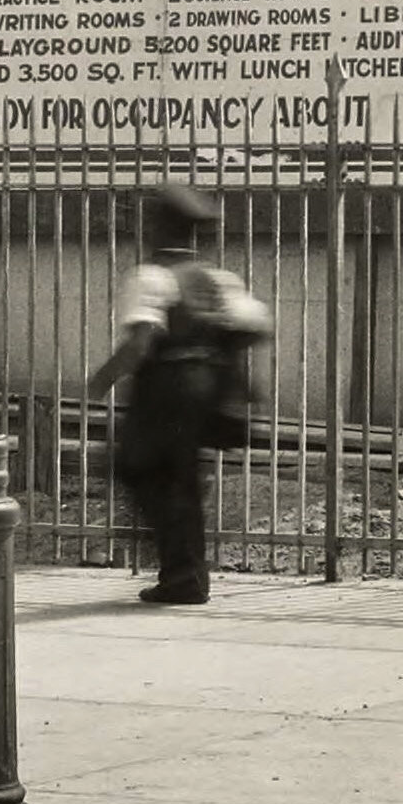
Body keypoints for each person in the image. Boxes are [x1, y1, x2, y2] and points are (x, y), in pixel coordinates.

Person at [89, 185, 267, 606]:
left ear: (158, 227)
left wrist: (102, 378)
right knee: (178, 478)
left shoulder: (150, 276)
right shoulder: (217, 278)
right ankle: (185, 573)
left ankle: (182, 573)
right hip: (203, 390)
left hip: (164, 389)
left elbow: (140, 343)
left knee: (136, 468)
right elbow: (255, 325)